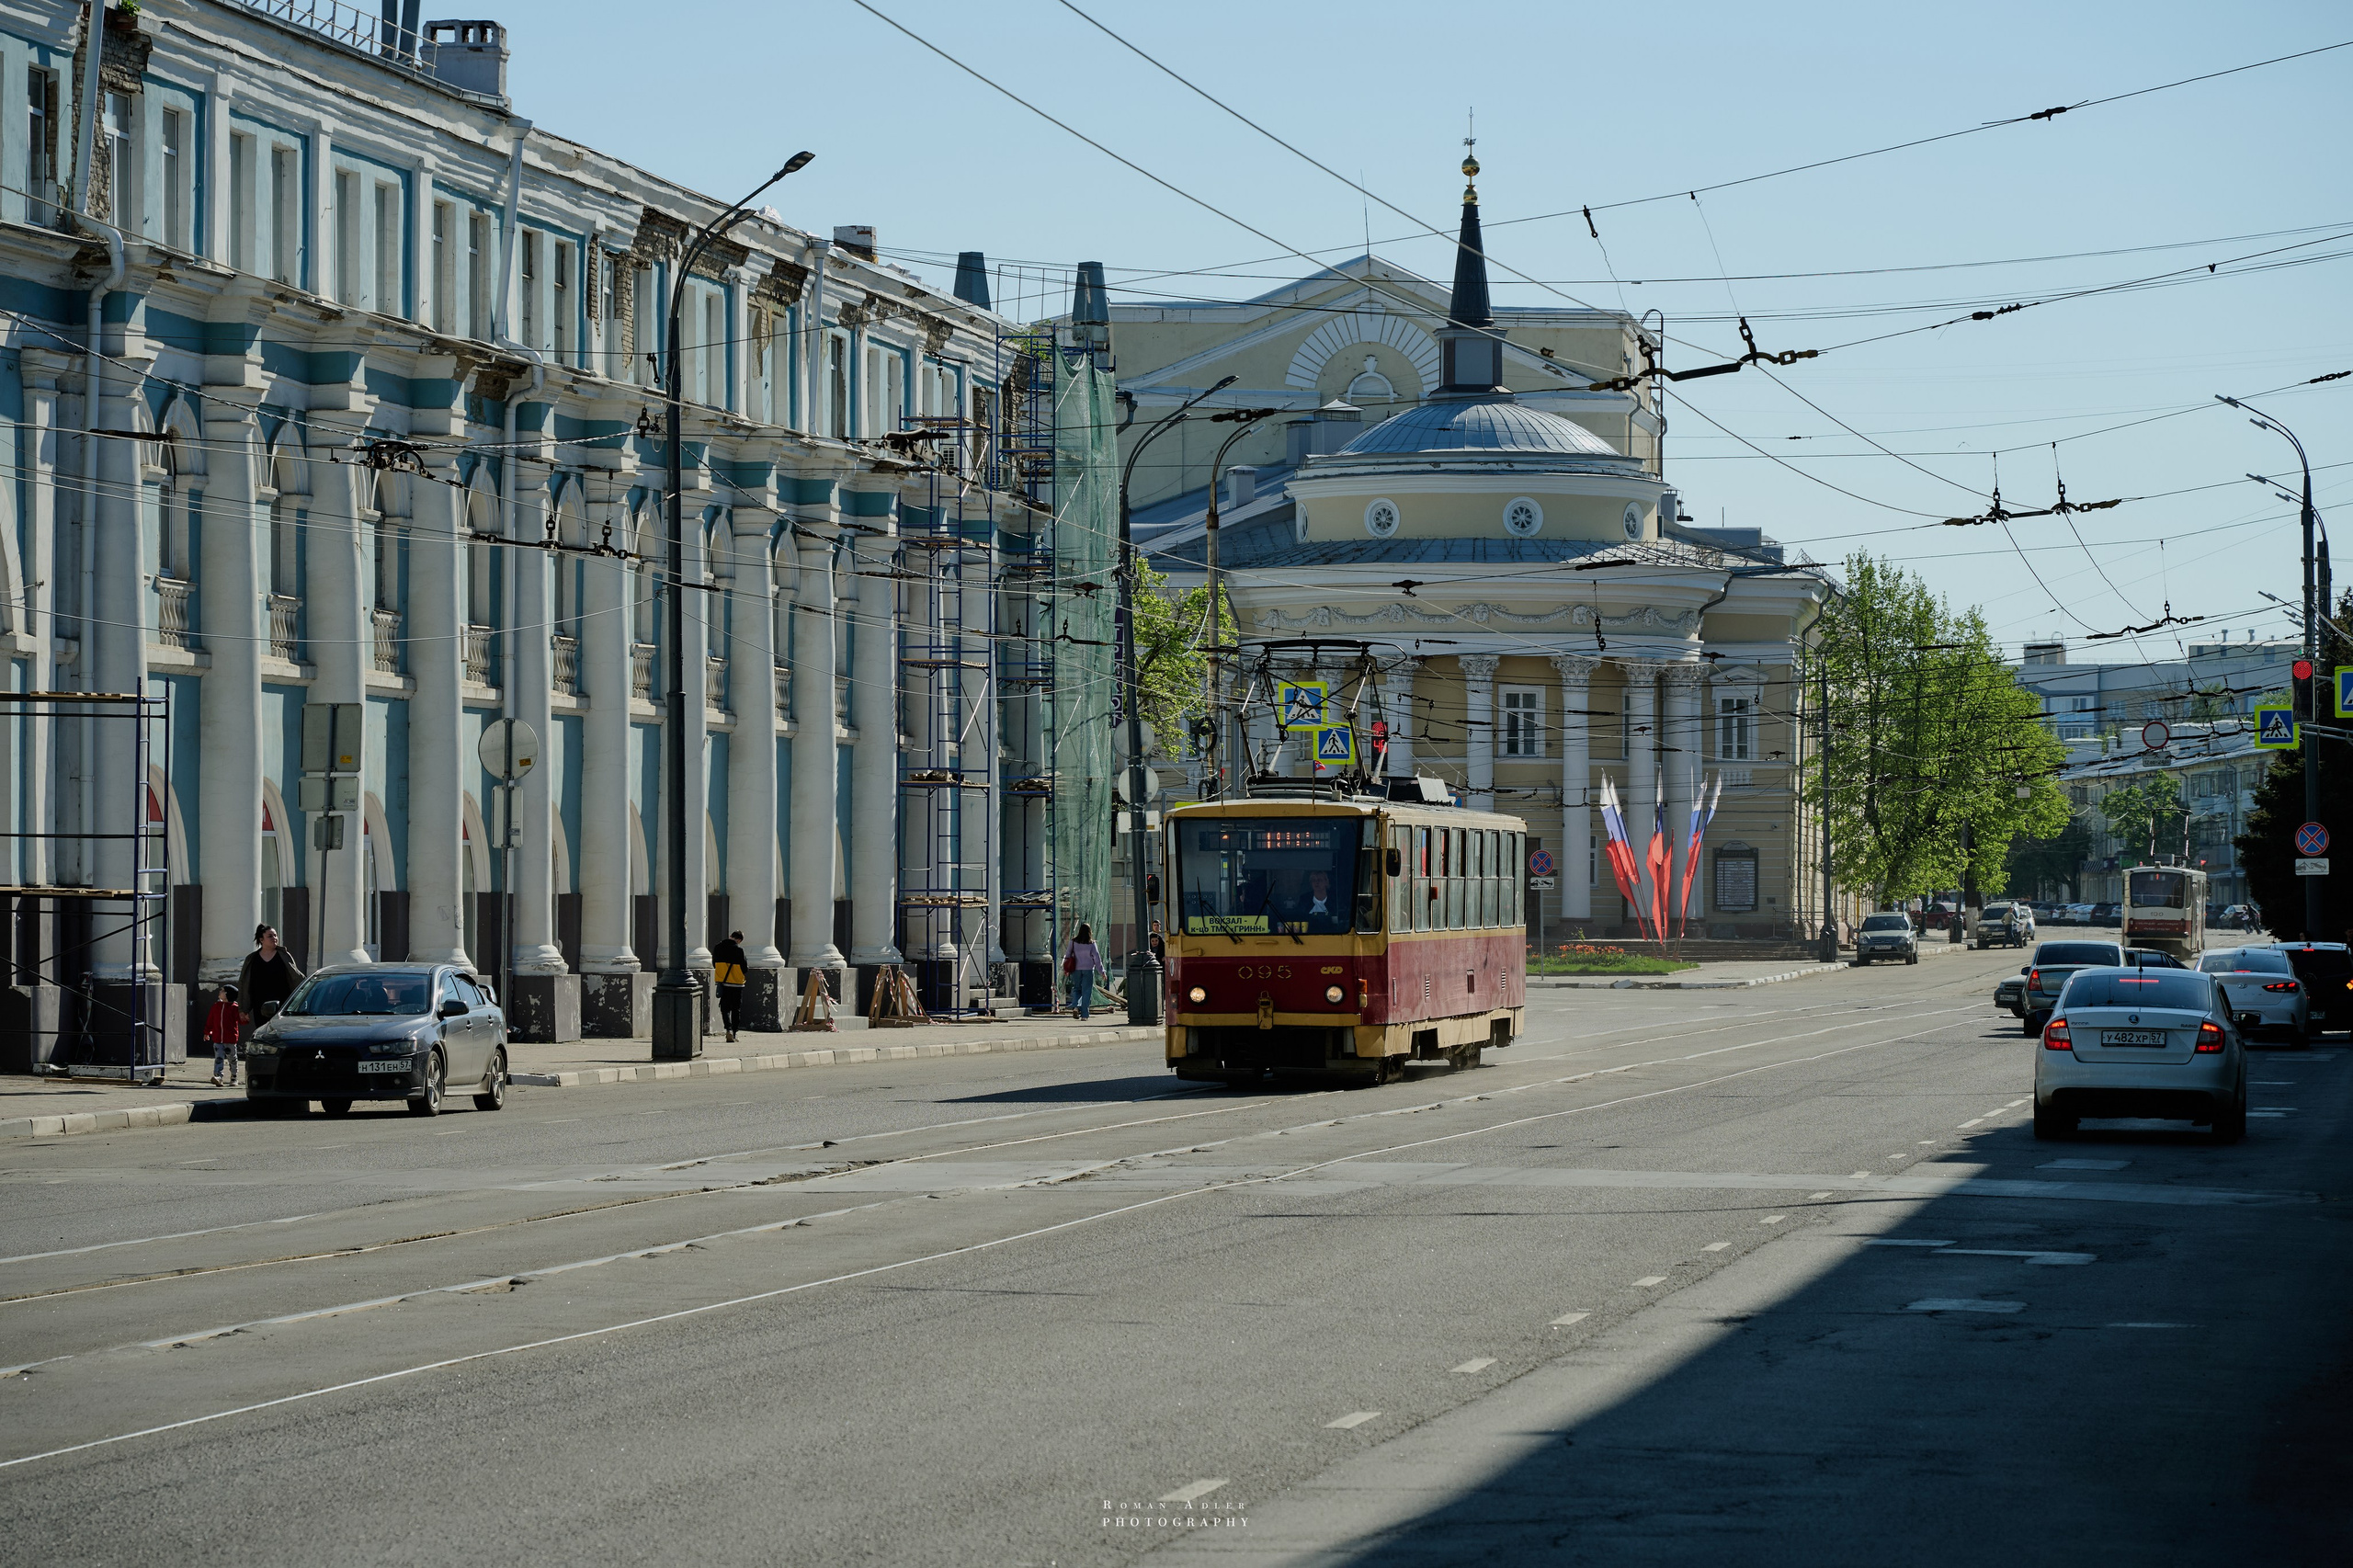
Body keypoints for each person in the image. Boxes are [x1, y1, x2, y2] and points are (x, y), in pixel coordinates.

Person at [236, 925, 304, 1032]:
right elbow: (244, 983)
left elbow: (295, 977)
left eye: (275, 935)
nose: (274, 938)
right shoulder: (251, 959)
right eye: (270, 936)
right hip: (260, 1006)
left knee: (281, 1032)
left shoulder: (284, 955)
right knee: (263, 1033)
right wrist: (243, 1009)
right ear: (261, 939)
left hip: (282, 1004)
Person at [710, 930, 749, 1043]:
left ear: (730, 936)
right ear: (739, 940)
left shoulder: (718, 947)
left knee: (725, 1008)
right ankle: (735, 1033)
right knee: (736, 1009)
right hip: (737, 983)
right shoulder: (739, 950)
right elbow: (745, 968)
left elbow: (714, 964)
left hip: (723, 982)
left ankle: (728, 1029)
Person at [203, 983, 243, 1087]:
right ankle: (218, 1077)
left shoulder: (234, 1008)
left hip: (230, 1039)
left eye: (222, 990)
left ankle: (234, 1077)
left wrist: (245, 1016)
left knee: (232, 1058)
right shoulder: (216, 1006)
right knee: (218, 1058)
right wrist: (207, 1032)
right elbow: (210, 1020)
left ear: (227, 994)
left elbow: (241, 1020)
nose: (220, 992)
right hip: (218, 1039)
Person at [1063, 923, 1105, 1021]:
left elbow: (1068, 954)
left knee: (1077, 989)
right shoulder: (1092, 944)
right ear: (1090, 932)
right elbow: (1097, 958)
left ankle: (1076, 1007)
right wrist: (1102, 971)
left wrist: (1066, 969)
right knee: (1086, 991)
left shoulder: (1073, 942)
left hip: (1076, 970)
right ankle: (1084, 1015)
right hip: (1088, 970)